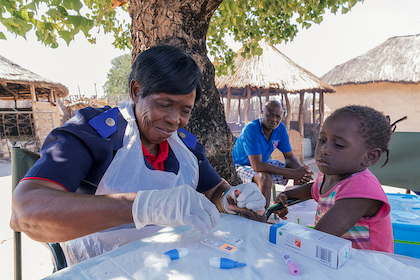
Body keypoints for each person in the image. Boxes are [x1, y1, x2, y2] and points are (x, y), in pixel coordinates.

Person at [10, 45, 266, 265]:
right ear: (135, 91)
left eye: (185, 111)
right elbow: (25, 213)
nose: (174, 119)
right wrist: (145, 206)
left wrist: (234, 196)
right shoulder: (95, 133)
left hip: (172, 260)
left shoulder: (186, 149)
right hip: (101, 266)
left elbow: (214, 190)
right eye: (164, 105)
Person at [274, 105, 407, 253]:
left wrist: (260, 223)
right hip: (340, 258)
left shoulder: (361, 189)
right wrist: (287, 195)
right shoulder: (329, 176)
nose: (324, 149)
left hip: (367, 267)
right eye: (322, 140)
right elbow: (314, 189)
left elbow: (318, 237)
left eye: (338, 145)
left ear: (370, 157)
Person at [232, 100, 313, 209]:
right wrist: (294, 173)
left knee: (296, 170)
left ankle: (291, 208)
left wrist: (302, 171)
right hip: (241, 166)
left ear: (282, 116)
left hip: (263, 162)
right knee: (265, 178)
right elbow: (257, 166)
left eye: (277, 116)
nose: (274, 119)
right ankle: (262, 215)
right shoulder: (251, 129)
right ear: (262, 113)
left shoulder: (280, 129)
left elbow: (289, 157)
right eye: (269, 115)